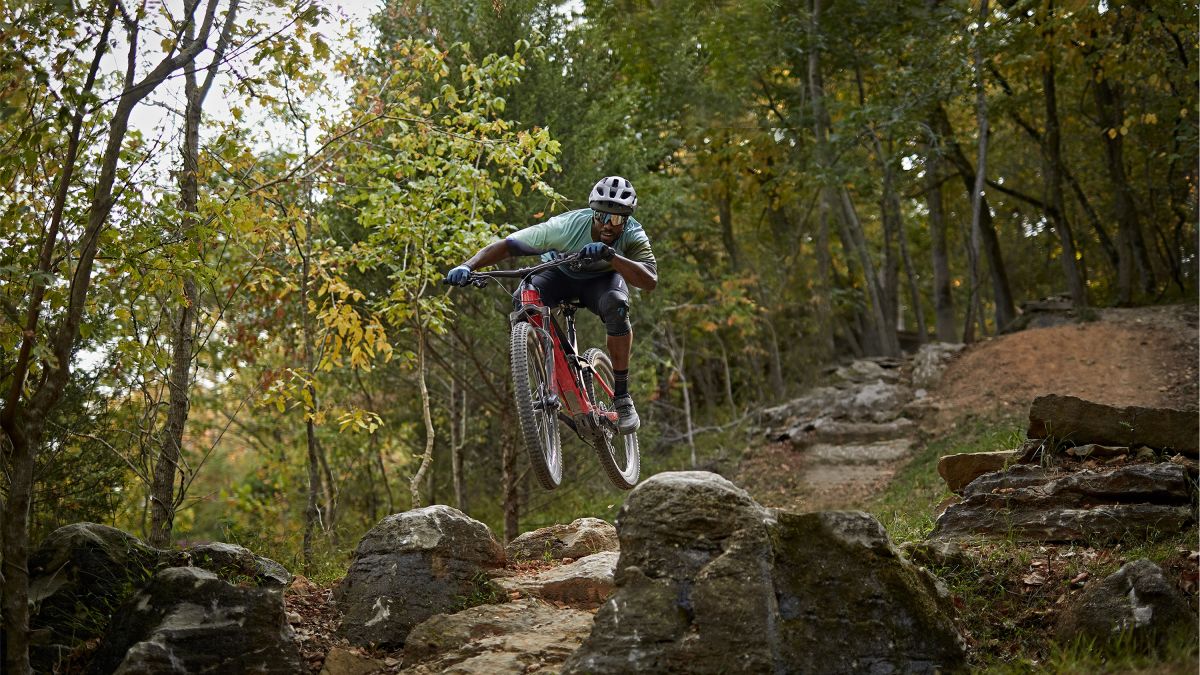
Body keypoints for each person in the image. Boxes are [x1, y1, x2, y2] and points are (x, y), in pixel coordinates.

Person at [445, 176, 657, 434]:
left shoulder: (634, 234)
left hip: (601, 281)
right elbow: (508, 245)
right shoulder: (565, 227)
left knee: (617, 305)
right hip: (558, 274)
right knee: (523, 297)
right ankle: (546, 369)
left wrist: (611, 255)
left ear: (626, 220)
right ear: (593, 213)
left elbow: (649, 280)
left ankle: (622, 398)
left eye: (616, 219)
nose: (608, 225)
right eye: (601, 216)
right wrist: (468, 265)